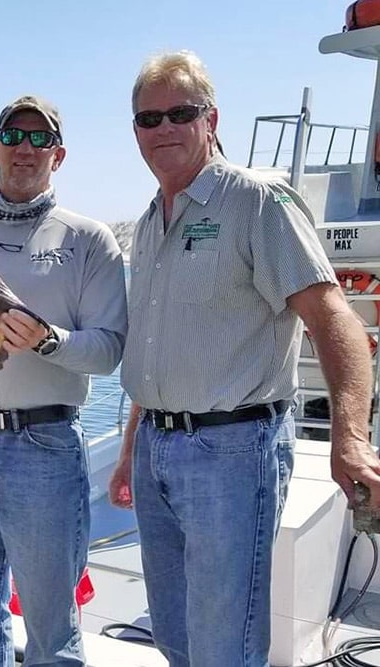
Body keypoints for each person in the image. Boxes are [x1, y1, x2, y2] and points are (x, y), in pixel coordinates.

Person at [108, 51, 380, 667]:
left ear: (211, 119)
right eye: (149, 119)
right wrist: (130, 449)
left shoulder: (256, 200)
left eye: (182, 112)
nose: (165, 128)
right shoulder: (151, 221)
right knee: (176, 639)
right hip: (156, 448)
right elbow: (157, 348)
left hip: (231, 454)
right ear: (135, 133)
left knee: (225, 646)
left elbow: (334, 318)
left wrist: (352, 437)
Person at [0, 95, 128, 667]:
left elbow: (109, 352)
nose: (26, 149)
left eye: (40, 139)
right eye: (14, 137)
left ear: (60, 155)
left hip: (43, 449)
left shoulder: (88, 239)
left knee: (51, 628)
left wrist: (49, 340)